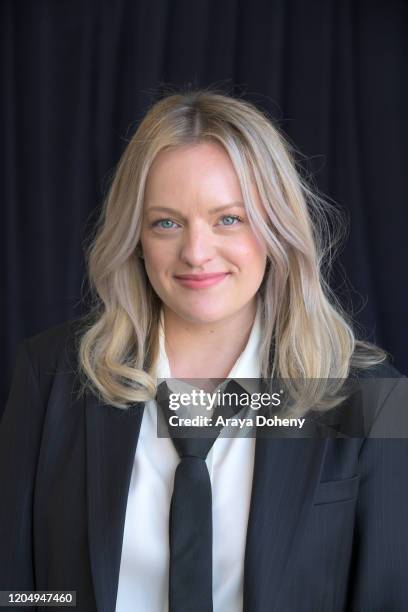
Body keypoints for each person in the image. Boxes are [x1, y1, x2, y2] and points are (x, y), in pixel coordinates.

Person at [0, 90, 407, 612]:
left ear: (277, 228)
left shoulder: (372, 399)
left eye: (229, 219)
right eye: (166, 222)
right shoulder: (50, 376)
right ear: (136, 237)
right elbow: (18, 592)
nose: (195, 253)